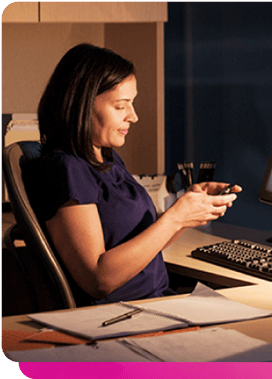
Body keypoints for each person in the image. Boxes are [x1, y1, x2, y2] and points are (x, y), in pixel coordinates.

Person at [23, 43, 241, 306]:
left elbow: (143, 248)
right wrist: (174, 218)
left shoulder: (106, 159)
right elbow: (98, 279)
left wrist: (187, 213)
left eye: (132, 104)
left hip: (154, 304)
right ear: (82, 104)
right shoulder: (67, 170)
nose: (134, 116)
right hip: (122, 317)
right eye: (121, 106)